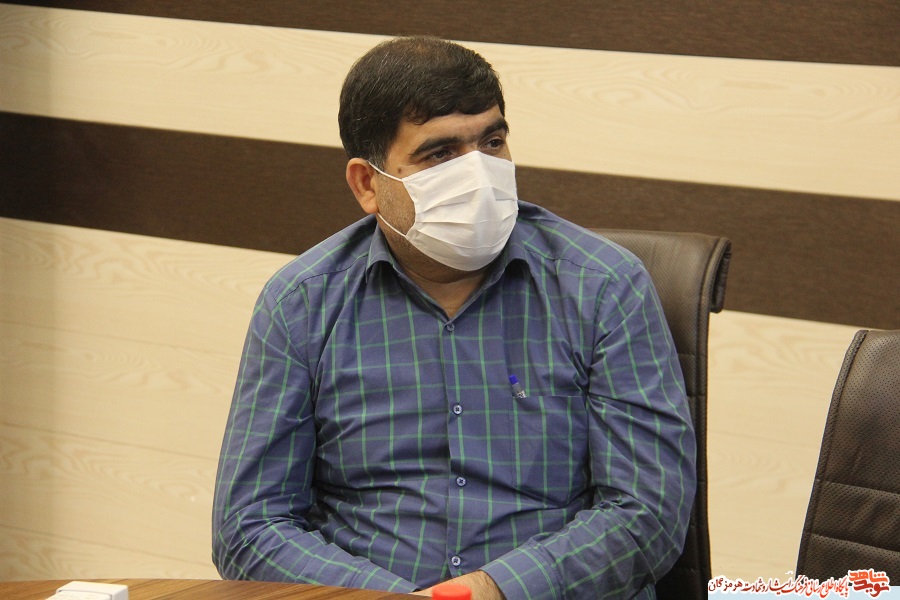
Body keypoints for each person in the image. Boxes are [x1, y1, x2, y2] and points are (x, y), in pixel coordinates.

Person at [212, 35, 695, 600]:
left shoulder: (604, 286)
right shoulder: (301, 303)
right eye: (440, 154)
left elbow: (648, 512)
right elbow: (250, 526)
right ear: (368, 184)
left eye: (492, 143)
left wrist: (494, 590)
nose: (479, 175)